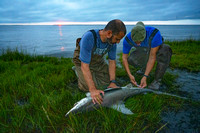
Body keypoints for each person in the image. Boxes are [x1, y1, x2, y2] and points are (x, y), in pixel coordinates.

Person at [73, 19, 126, 104]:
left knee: (107, 83)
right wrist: (92, 89)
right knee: (87, 87)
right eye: (117, 39)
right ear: (109, 33)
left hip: (97, 62)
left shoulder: (112, 43)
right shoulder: (89, 37)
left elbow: (112, 61)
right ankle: (77, 70)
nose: (118, 42)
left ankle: (92, 73)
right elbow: (85, 65)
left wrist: (112, 81)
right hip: (82, 62)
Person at [122, 21, 172, 90]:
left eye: (140, 41)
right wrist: (129, 75)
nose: (138, 44)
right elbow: (124, 58)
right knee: (131, 59)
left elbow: (152, 56)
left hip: (155, 49)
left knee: (165, 50)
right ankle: (144, 68)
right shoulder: (127, 39)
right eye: (136, 42)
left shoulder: (154, 34)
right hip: (144, 51)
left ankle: (157, 81)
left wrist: (145, 76)